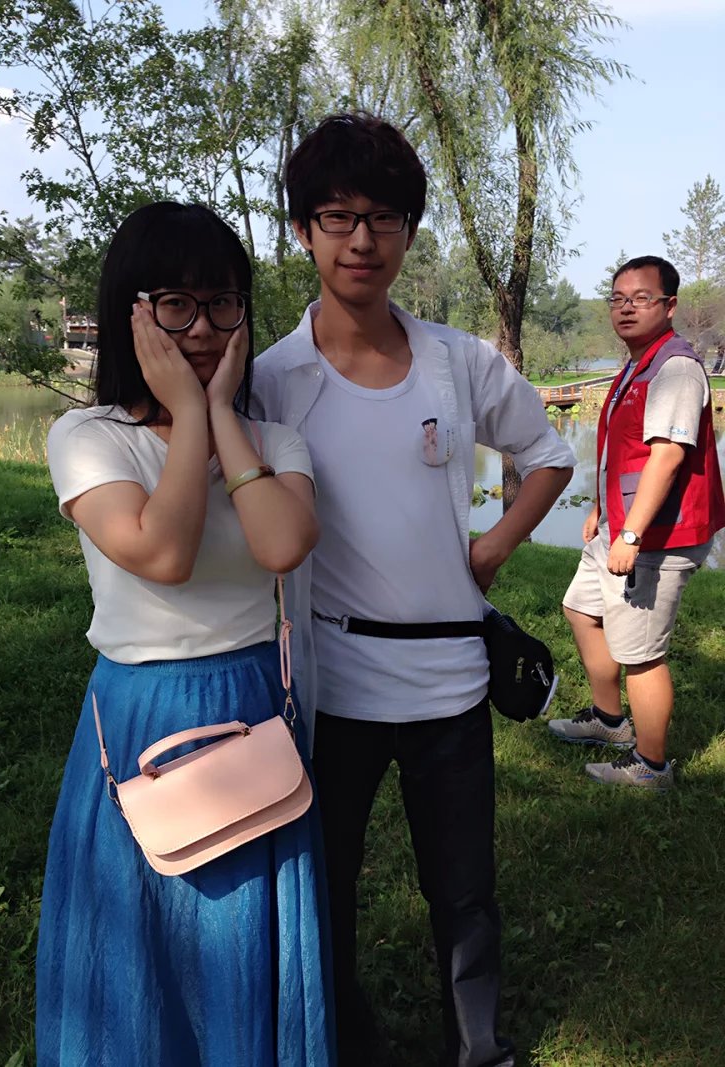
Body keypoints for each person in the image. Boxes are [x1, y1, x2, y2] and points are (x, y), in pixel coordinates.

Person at [251, 112, 575, 1067]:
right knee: (329, 885)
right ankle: (346, 1040)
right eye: (337, 217)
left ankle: (479, 1045)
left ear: (407, 230)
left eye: (383, 217)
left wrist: (494, 546)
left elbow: (548, 454)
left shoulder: (456, 361)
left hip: (450, 682)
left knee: (464, 888)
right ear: (304, 230)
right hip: (333, 686)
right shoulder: (274, 379)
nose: (361, 240)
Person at [35, 202, 335, 1066]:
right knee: (140, 937)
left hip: (252, 705)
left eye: (222, 303)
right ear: (132, 312)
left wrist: (219, 416)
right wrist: (187, 414)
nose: (202, 328)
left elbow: (281, 543)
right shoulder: (87, 437)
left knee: (239, 933)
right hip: (143, 707)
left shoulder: (274, 439)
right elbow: (161, 553)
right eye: (176, 304)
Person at [548, 255, 725, 790]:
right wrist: (600, 510)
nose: (627, 308)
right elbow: (623, 451)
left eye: (642, 298)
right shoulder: (636, 364)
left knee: (642, 654)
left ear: (669, 306)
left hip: (656, 536)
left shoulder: (675, 368)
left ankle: (651, 767)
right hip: (620, 526)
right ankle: (609, 721)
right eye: (618, 299)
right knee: (581, 609)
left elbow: (667, 457)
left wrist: (630, 534)